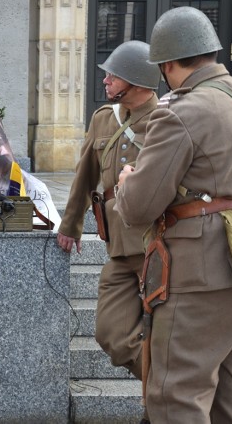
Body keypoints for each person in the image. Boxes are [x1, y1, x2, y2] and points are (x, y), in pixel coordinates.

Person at [115, 7, 232, 423]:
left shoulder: (180, 111)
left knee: (175, 397)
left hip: (203, 270)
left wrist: (127, 179)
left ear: (167, 64)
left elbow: (138, 207)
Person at [57, 41, 159, 407]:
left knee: (165, 338)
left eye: (113, 75)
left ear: (137, 81)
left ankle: (166, 403)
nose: (105, 80)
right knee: (111, 334)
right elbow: (86, 175)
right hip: (118, 249)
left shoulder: (168, 118)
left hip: (159, 249)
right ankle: (173, 390)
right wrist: (70, 225)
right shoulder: (105, 118)